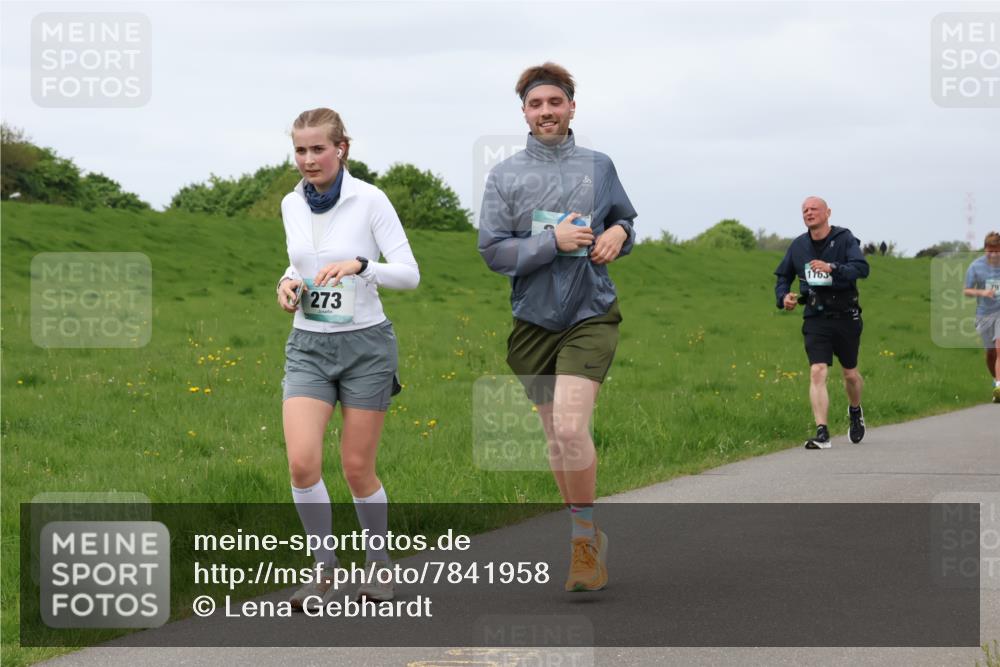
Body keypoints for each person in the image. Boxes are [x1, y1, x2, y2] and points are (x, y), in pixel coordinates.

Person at [478, 62, 637, 592]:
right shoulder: (504, 176)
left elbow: (624, 220)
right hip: (533, 321)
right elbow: (494, 251)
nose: (546, 112)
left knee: (571, 427)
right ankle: (582, 531)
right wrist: (552, 244)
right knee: (556, 438)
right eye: (536, 104)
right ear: (524, 112)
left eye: (555, 102)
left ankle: (584, 543)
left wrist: (618, 234)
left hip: (590, 310)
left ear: (572, 106)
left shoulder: (599, 164)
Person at [274, 107, 419, 608]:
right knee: (300, 463)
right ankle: (323, 568)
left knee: (357, 467)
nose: (308, 159)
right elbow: (297, 264)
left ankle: (378, 565)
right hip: (308, 347)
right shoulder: (292, 204)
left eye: (318, 149)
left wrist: (363, 265)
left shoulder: (370, 200)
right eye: (300, 150)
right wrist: (286, 283)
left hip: (366, 348)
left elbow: (409, 274)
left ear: (342, 149)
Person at [774, 196, 870, 449]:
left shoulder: (845, 238)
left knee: (850, 374)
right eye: (805, 210)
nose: (809, 212)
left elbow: (861, 268)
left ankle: (855, 410)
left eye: (814, 208)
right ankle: (822, 432)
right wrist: (784, 297)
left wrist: (833, 267)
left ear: (827, 212)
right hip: (815, 316)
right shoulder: (798, 246)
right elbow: (783, 276)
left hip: (846, 315)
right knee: (817, 370)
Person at [962, 231, 1000, 403]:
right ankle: (996, 380)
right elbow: (967, 290)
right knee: (991, 353)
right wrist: (982, 292)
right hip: (984, 315)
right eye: (990, 250)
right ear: (985, 249)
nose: (993, 254)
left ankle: (999, 386)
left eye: (997, 250)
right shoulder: (975, 266)